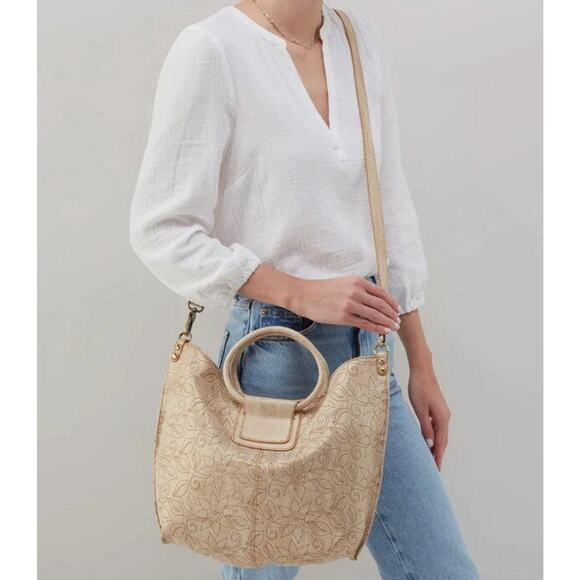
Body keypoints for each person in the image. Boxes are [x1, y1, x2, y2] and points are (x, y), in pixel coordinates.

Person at [130, 1, 479, 578]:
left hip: (371, 357)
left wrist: (422, 361)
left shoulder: (357, 43)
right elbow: (161, 229)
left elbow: (389, 212)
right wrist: (297, 292)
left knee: (443, 569)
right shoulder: (212, 50)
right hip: (273, 358)